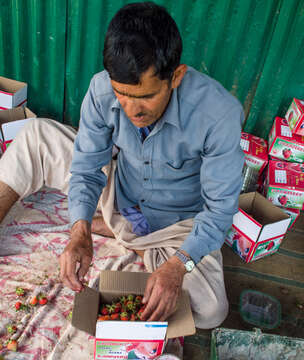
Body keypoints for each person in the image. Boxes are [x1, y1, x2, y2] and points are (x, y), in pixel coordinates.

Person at [0, 2, 244, 328]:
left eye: (145, 96)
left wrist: (176, 266)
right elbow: (87, 168)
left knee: (212, 310)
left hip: (178, 224)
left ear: (176, 77)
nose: (132, 109)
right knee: (35, 134)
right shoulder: (102, 89)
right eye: (122, 94)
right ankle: (113, 228)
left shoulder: (219, 114)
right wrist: (80, 231)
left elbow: (219, 212)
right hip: (119, 190)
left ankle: (137, 243)